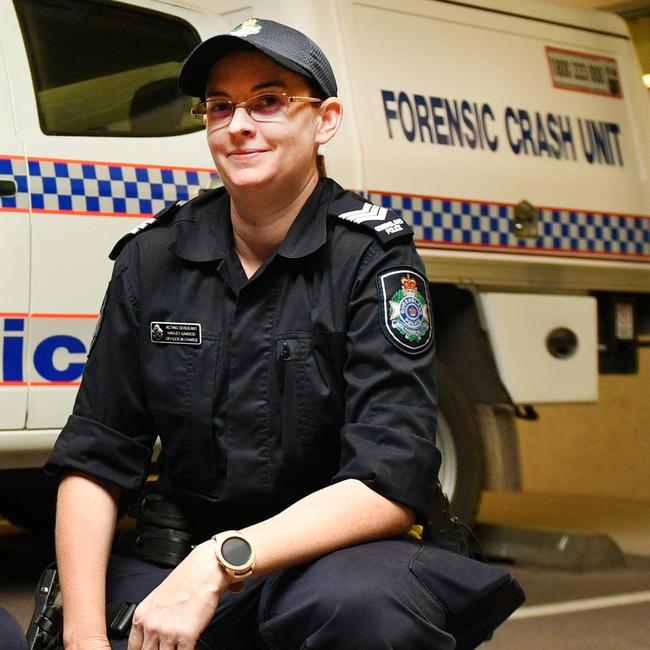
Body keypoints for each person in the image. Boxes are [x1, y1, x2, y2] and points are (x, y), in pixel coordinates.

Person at [45, 18, 522, 650]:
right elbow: (95, 456)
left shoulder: (372, 260)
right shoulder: (152, 258)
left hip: (329, 556)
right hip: (177, 548)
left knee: (370, 613)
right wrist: (82, 638)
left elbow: (390, 476)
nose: (239, 124)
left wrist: (220, 564)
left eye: (268, 101)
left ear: (324, 121)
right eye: (221, 106)